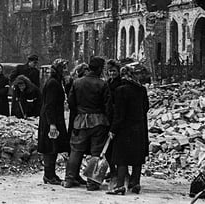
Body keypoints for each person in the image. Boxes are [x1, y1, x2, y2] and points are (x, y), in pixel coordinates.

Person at [64, 56, 112, 191]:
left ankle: (69, 179)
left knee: (76, 150)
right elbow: (107, 106)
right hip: (99, 121)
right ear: (100, 69)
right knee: (96, 152)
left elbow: (71, 102)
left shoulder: (77, 82)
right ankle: (92, 183)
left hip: (80, 120)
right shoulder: (103, 84)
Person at [106, 65, 150, 195]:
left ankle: (120, 186)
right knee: (137, 156)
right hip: (139, 127)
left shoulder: (121, 90)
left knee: (121, 157)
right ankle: (135, 183)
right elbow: (145, 108)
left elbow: (119, 113)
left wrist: (113, 129)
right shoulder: (142, 90)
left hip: (124, 128)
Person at [38, 59, 71, 185]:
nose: (65, 71)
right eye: (63, 68)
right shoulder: (53, 83)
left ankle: (51, 175)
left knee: (53, 146)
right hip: (50, 121)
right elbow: (49, 105)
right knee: (50, 147)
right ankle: (49, 175)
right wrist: (52, 124)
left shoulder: (56, 82)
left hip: (53, 119)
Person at [105, 59, 122, 185]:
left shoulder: (120, 84)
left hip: (117, 117)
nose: (112, 74)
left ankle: (119, 172)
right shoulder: (108, 83)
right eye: (110, 71)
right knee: (108, 147)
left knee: (116, 145)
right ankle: (112, 170)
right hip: (108, 117)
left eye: (114, 71)